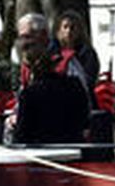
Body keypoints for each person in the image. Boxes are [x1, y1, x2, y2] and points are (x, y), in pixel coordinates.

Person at [13, 12, 92, 145]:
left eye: (28, 37)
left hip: (64, 145)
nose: (23, 43)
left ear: (43, 35)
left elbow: (83, 107)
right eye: (21, 38)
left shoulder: (68, 62)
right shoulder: (24, 68)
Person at [55, 9, 100, 88]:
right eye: (65, 27)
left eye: (72, 28)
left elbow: (90, 79)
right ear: (59, 30)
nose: (68, 31)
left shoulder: (87, 53)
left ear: (79, 30)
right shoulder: (53, 51)